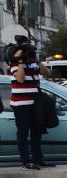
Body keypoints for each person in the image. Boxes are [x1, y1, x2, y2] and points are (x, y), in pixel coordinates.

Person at [7, 37, 51, 170]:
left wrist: (36, 59)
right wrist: (20, 61)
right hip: (21, 105)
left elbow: (46, 73)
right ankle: (26, 161)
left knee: (36, 132)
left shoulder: (34, 64)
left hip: (35, 104)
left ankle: (38, 159)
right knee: (23, 133)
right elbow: (20, 79)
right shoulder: (13, 66)